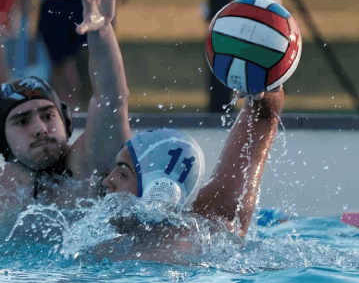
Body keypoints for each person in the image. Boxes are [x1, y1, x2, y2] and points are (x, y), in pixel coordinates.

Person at [0, 0, 131, 228]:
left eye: (48, 115)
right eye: (22, 121)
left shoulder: (87, 165)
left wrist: (102, 31)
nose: (40, 128)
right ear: (0, 140)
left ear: (66, 121)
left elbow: (112, 101)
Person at [93, 87, 285, 264]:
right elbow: (262, 117)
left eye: (123, 174)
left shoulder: (135, 258)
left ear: (160, 191)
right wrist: (260, 87)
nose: (107, 181)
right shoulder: (220, 221)